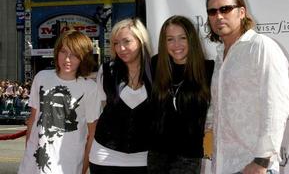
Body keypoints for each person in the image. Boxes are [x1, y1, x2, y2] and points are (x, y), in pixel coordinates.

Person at [205, 0, 289, 174]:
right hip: (222, 165)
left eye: (225, 9)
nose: (219, 16)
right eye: (213, 11)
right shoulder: (220, 56)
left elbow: (276, 106)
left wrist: (262, 161)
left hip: (252, 165)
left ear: (241, 12)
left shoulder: (261, 47)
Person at [18, 30, 101, 174]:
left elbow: (93, 134)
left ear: (84, 57)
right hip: (32, 165)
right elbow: (33, 119)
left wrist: (82, 169)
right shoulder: (42, 77)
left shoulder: (90, 88)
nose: (67, 59)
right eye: (63, 52)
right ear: (57, 52)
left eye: (74, 54)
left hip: (67, 165)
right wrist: (28, 153)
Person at [148, 15, 214, 174]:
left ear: (191, 39)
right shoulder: (155, 64)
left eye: (182, 38)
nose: (176, 45)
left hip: (189, 155)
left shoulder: (209, 69)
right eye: (170, 39)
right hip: (156, 153)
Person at [89, 18, 152, 174]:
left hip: (145, 158)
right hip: (104, 155)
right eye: (116, 43)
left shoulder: (158, 69)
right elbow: (105, 109)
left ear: (141, 41)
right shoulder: (107, 71)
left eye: (126, 42)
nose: (121, 48)